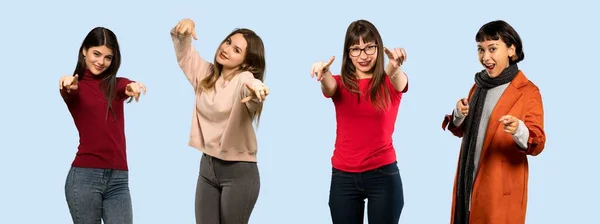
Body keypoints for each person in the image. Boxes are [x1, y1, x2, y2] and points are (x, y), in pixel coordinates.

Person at [441, 20, 546, 224]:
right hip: (469, 179)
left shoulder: (528, 92)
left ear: (511, 49)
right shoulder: (479, 86)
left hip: (500, 188)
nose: (485, 56)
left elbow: (538, 143)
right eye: (480, 49)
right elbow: (467, 130)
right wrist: (458, 114)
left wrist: (519, 130)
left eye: (492, 48)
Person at [170, 18, 269, 224]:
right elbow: (186, 55)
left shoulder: (244, 79)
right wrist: (184, 30)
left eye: (237, 50)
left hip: (239, 172)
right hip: (207, 168)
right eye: (228, 42)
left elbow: (250, 85)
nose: (227, 49)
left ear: (246, 62)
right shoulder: (206, 75)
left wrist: (257, 90)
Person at [310, 19, 409, 224]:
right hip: (343, 176)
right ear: (348, 52)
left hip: (383, 174)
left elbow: (400, 81)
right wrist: (323, 72)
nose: (363, 56)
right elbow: (328, 87)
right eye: (356, 49)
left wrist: (396, 66)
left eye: (369, 48)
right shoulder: (339, 83)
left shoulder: (389, 80)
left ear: (378, 47)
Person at [59, 27, 147, 224]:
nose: (101, 62)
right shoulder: (76, 87)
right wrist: (66, 83)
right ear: (84, 51)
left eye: (108, 57)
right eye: (96, 54)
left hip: (119, 180)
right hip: (84, 178)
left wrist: (133, 86)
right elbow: (68, 88)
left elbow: (127, 85)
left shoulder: (115, 85)